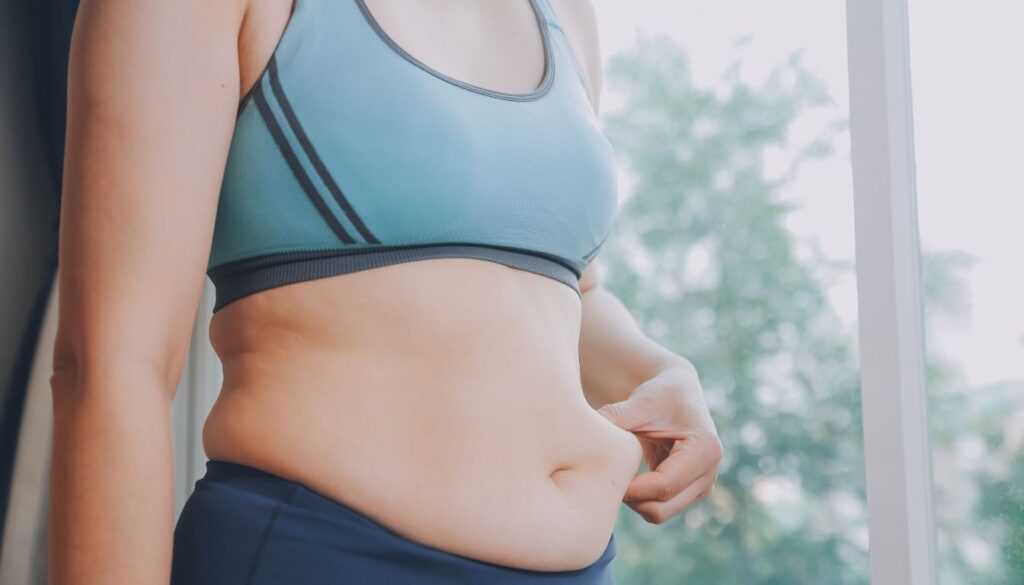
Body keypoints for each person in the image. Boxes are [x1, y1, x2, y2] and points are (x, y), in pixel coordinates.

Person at [48, 0, 723, 582]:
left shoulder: (563, 13)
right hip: (328, 555)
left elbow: (567, 291)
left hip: (584, 564)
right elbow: (111, 367)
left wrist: (658, 369)